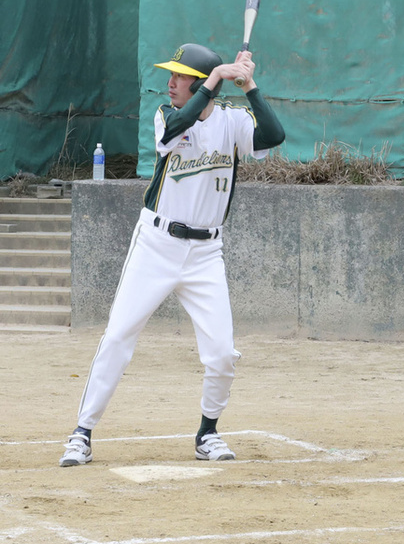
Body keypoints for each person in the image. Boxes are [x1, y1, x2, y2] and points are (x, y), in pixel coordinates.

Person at [59, 43, 285, 466]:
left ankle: (207, 433)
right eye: (173, 75)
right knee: (118, 336)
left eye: (181, 76)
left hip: (205, 253)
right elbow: (176, 126)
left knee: (221, 353)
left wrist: (249, 84)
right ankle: (82, 432)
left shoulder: (233, 123)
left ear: (197, 82)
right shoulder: (167, 116)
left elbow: (273, 135)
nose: (171, 82)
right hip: (156, 246)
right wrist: (216, 78)